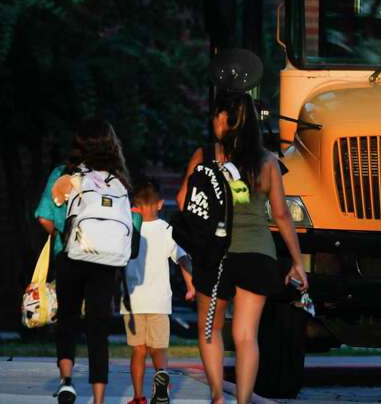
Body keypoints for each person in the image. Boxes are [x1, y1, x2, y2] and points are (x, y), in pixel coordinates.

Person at [176, 91, 308, 404]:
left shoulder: (205, 156)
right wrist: (297, 260)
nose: (213, 121)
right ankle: (243, 400)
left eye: (217, 115)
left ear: (226, 119)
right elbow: (281, 215)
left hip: (216, 257)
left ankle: (219, 396)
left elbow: (183, 201)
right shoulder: (267, 162)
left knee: (211, 329)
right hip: (258, 254)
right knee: (247, 336)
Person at [47, 119, 138, 404]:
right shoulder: (121, 182)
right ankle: (99, 398)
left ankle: (66, 381)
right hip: (107, 261)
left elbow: (56, 201)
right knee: (98, 328)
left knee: (68, 319)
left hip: (74, 256)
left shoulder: (72, 177)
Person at [123, 178, 196, 404]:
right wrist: (191, 285)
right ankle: (161, 379)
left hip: (133, 302)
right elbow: (183, 258)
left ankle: (138, 397)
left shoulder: (128, 230)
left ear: (134, 205)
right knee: (159, 349)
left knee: (138, 351)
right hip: (159, 302)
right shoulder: (167, 230)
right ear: (160, 204)